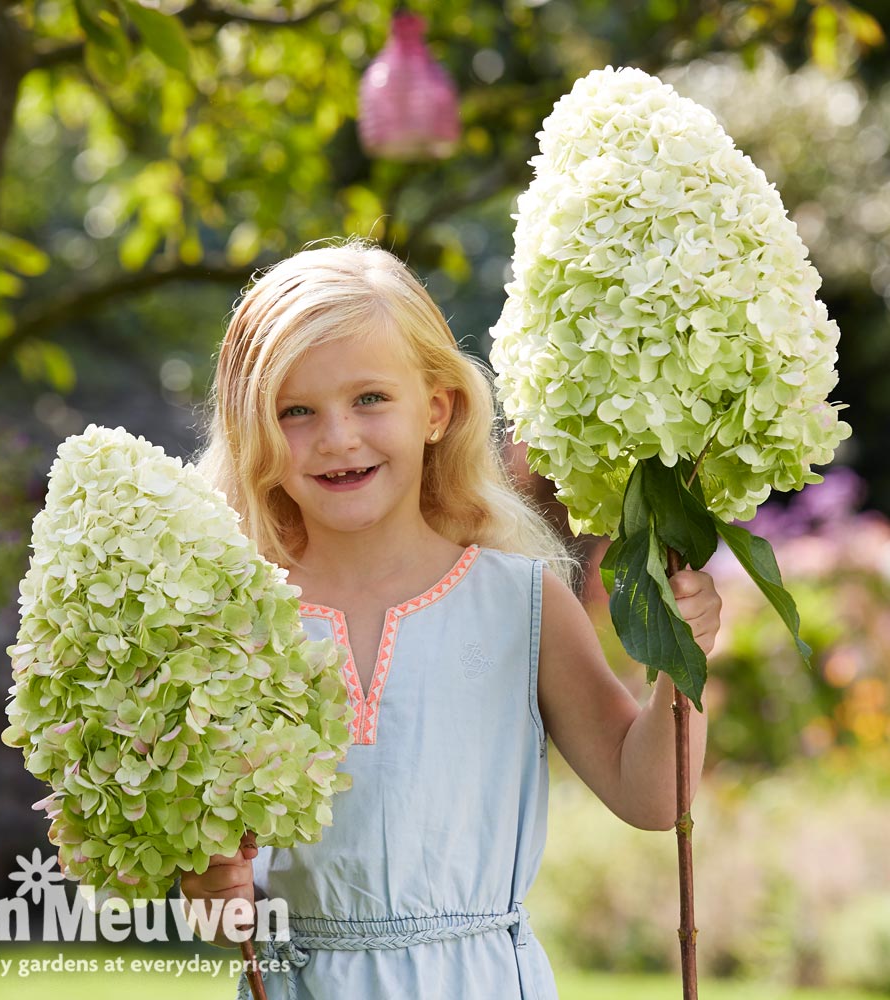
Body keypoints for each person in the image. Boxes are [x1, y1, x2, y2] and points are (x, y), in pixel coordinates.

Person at [183, 238, 721, 1000]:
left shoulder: (522, 603)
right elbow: (220, 898)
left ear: (437, 410)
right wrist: (211, 889)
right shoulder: (236, 620)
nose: (338, 436)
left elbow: (651, 798)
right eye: (295, 411)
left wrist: (683, 657)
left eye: (370, 399)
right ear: (253, 434)